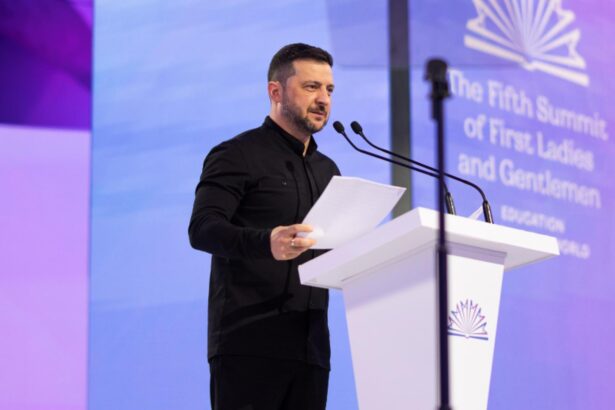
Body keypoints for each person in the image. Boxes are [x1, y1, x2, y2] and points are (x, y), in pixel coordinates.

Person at [189, 43, 339, 410]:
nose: (323, 99)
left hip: (311, 349)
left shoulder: (328, 171)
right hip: (248, 345)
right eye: (311, 87)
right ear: (276, 91)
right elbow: (203, 228)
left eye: (329, 89)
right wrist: (265, 242)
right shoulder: (237, 154)